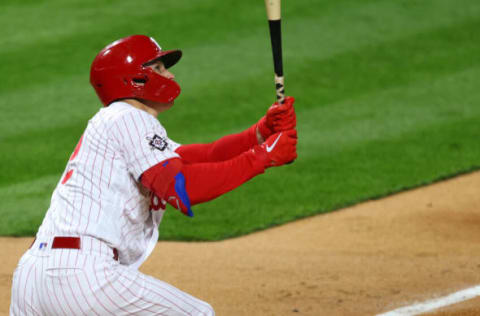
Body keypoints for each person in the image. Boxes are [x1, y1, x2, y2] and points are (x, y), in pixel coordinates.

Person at [10, 34, 297, 316]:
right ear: (133, 79)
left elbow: (197, 156)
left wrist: (259, 134)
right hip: (81, 276)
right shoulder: (129, 118)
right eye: (158, 68)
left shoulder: (116, 122)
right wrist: (264, 156)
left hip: (32, 276)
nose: (169, 75)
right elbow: (184, 188)